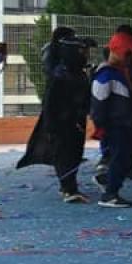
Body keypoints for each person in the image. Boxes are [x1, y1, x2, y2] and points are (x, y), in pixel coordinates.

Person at [18, 28, 93, 202]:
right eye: (82, 51)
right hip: (64, 121)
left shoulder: (75, 72)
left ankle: (68, 186)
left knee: (73, 152)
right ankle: (69, 189)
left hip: (73, 120)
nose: (86, 54)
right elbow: (52, 103)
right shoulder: (62, 75)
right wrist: (55, 123)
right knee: (66, 153)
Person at [90, 31, 132, 208]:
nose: (131, 59)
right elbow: (98, 103)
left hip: (125, 123)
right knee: (121, 156)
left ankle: (108, 178)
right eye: (128, 54)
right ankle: (110, 194)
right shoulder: (105, 75)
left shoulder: (119, 73)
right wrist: (100, 125)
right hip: (115, 124)